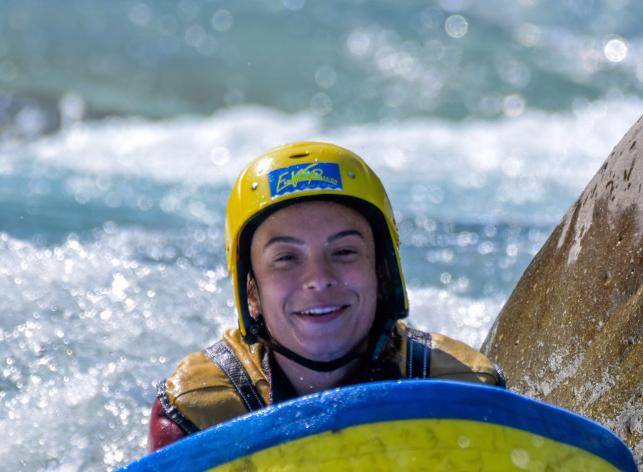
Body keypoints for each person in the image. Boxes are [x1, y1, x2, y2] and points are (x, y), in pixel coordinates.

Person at [149, 143, 505, 451]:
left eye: (344, 252)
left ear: (382, 273)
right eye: (286, 258)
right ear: (251, 292)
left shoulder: (463, 390)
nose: (319, 279)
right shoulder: (195, 414)